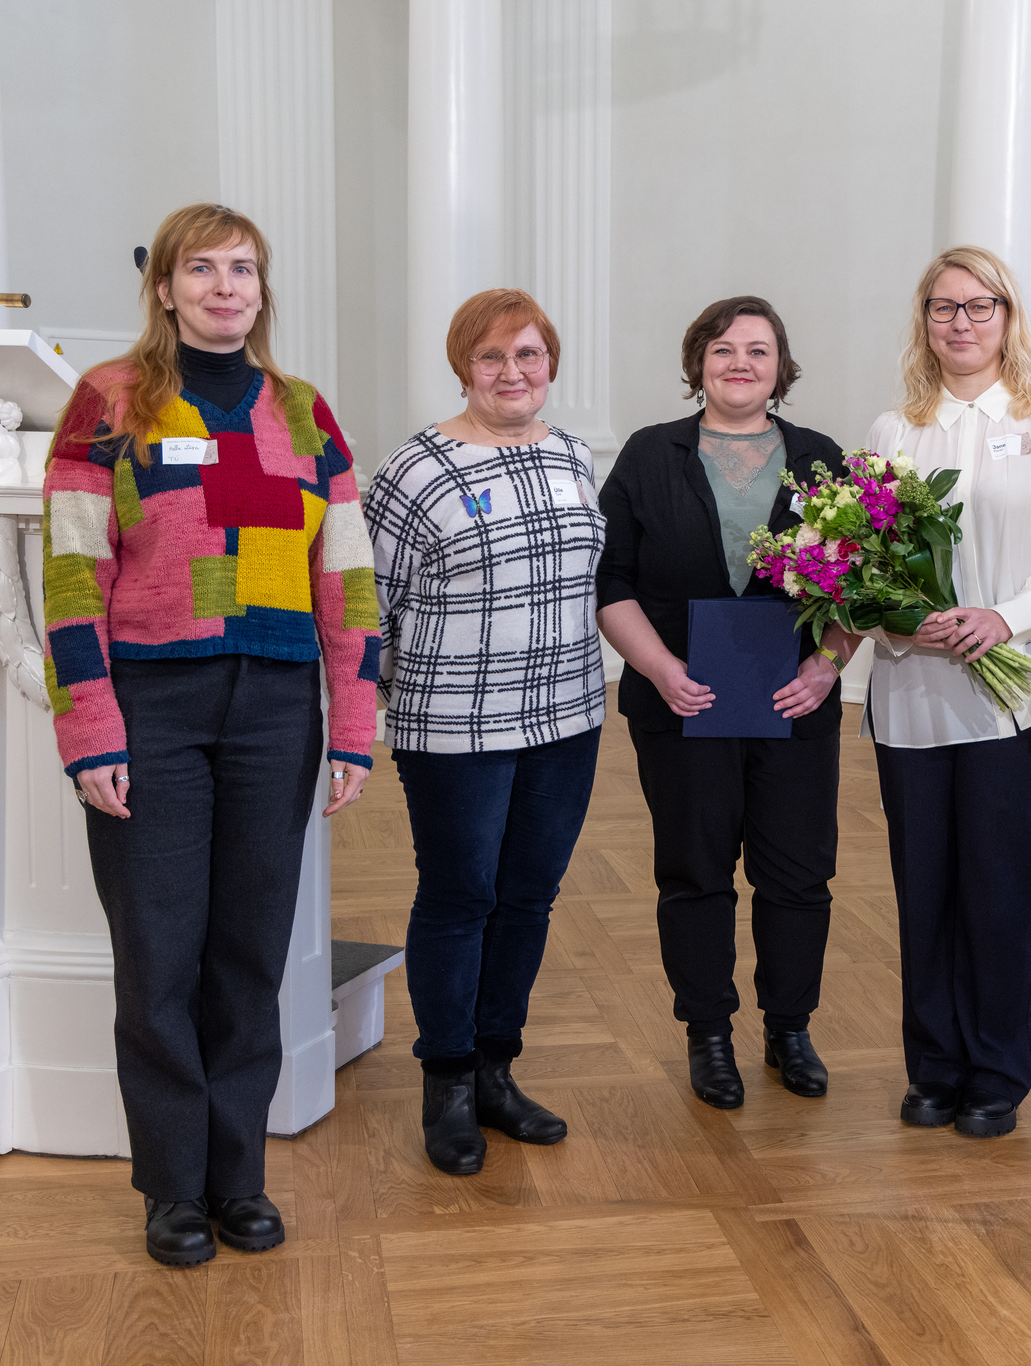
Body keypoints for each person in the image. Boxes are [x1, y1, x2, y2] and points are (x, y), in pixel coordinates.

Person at [42, 202, 380, 1266]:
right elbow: (68, 573)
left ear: (261, 290)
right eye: (204, 268)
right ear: (165, 287)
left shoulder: (306, 412)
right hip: (154, 707)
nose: (226, 286)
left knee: (249, 949)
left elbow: (349, 581)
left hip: (277, 710)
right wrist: (89, 725)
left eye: (244, 269)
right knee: (158, 949)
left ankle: (239, 1177)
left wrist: (352, 726)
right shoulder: (109, 402)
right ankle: (172, 1186)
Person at [363, 289, 607, 1176]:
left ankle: (499, 1068)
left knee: (528, 896)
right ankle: (448, 1083)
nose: (513, 374)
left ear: (551, 365)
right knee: (461, 895)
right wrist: (370, 706)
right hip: (453, 722)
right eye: (494, 358)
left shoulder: (575, 457)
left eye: (530, 356)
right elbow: (369, 608)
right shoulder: (413, 470)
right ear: (464, 366)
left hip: (567, 716)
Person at [596, 296, 858, 1110]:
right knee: (695, 871)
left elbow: (861, 582)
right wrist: (662, 669)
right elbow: (611, 579)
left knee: (797, 873)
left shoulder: (821, 458)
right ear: (696, 363)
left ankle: (790, 1029)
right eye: (722, 348)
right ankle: (708, 1034)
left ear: (781, 367)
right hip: (680, 704)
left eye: (757, 349)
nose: (739, 362)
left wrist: (824, 667)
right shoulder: (649, 454)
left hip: (795, 704)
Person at [862, 246, 1031, 1138]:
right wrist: (895, 617)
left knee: (999, 893)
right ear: (923, 321)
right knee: (922, 888)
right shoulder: (894, 430)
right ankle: (933, 1066)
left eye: (979, 305)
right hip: (913, 693)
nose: (960, 322)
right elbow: (865, 562)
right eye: (942, 307)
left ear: (1009, 317)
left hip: (1009, 697)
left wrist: (1005, 618)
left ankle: (997, 1071)